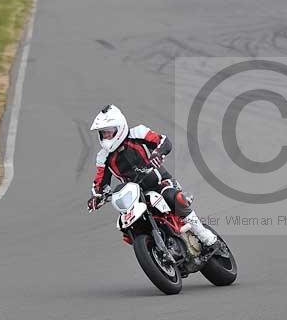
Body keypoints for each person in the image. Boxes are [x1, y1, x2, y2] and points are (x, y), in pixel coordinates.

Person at [86, 104, 217, 252]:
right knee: (127, 226)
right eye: (103, 133)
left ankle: (204, 235)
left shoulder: (138, 133)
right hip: (136, 196)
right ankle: (154, 250)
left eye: (109, 131)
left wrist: (158, 153)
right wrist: (96, 197)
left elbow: (163, 141)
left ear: (120, 127)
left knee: (173, 198)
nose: (106, 135)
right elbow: (100, 181)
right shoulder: (103, 157)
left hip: (159, 182)